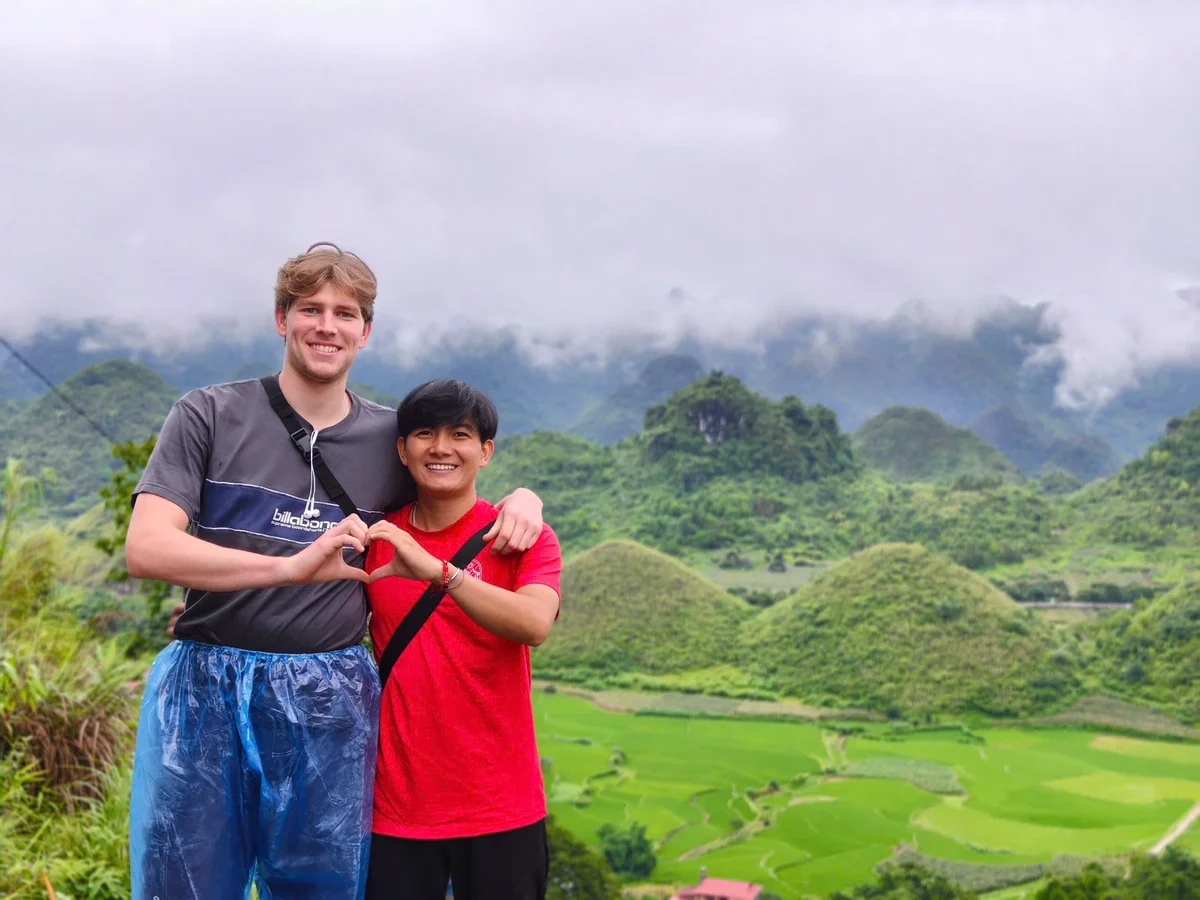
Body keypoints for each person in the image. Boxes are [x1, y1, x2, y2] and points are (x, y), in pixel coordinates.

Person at [124, 243, 545, 900]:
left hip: (328, 694)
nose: (327, 325)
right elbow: (148, 547)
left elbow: (455, 479)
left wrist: (524, 500)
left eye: (345, 313)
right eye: (310, 309)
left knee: (321, 888)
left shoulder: (390, 439)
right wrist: (288, 569)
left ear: (365, 330)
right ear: (280, 318)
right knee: (184, 883)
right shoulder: (208, 413)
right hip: (206, 682)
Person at [362, 378, 561, 900]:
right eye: (425, 433)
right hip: (397, 808)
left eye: (461, 434)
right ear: (403, 450)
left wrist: (440, 573)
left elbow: (534, 623)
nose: (442, 447)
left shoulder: (521, 537)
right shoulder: (376, 539)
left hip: (501, 804)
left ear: (485, 452)